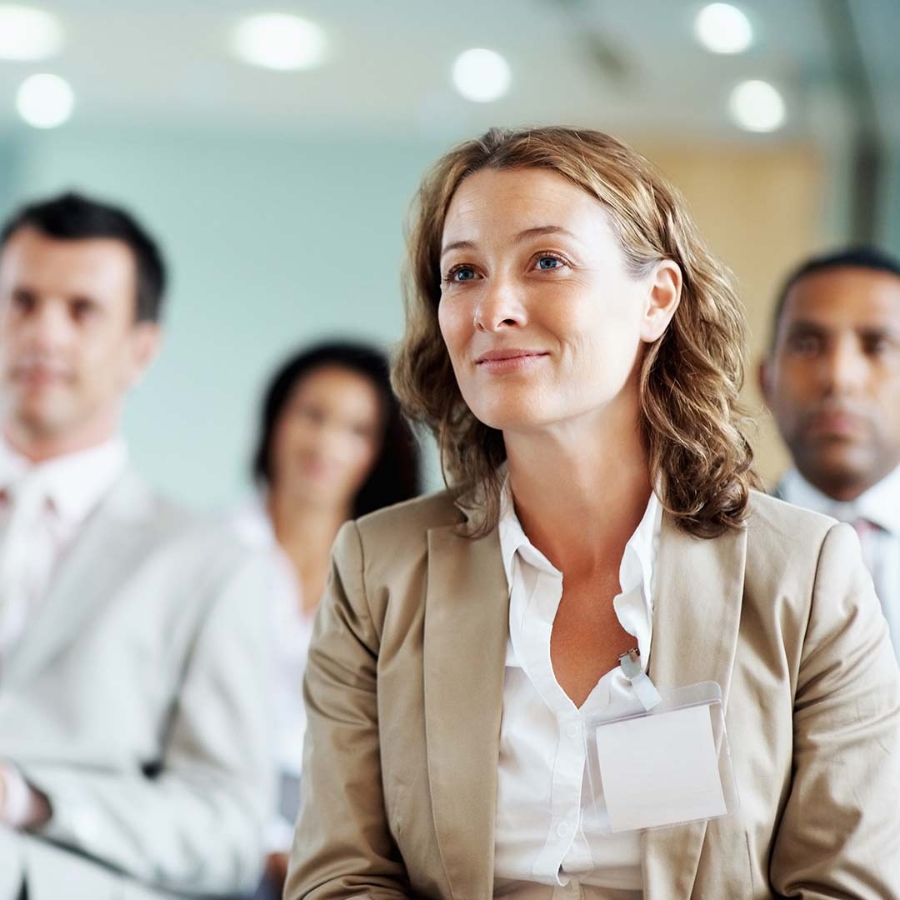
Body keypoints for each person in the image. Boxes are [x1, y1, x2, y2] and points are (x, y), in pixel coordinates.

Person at [284, 127, 900, 899]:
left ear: (656, 299)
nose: (494, 308)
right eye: (463, 272)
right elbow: (339, 875)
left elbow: (848, 885)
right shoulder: (379, 568)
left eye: (546, 261)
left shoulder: (804, 573)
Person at [0, 192, 273, 900]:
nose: (44, 335)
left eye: (81, 310)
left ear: (141, 350)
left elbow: (228, 829)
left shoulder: (214, 567)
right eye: (22, 301)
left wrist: (28, 799)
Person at [230, 340, 421, 899]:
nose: (326, 444)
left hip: (340, 840)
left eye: (357, 430)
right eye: (311, 415)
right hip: (218, 820)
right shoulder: (206, 555)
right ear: (276, 420)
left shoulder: (397, 578)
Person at [761, 247, 900, 657]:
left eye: (877, 346)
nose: (839, 378)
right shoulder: (710, 554)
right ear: (766, 382)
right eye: (806, 344)